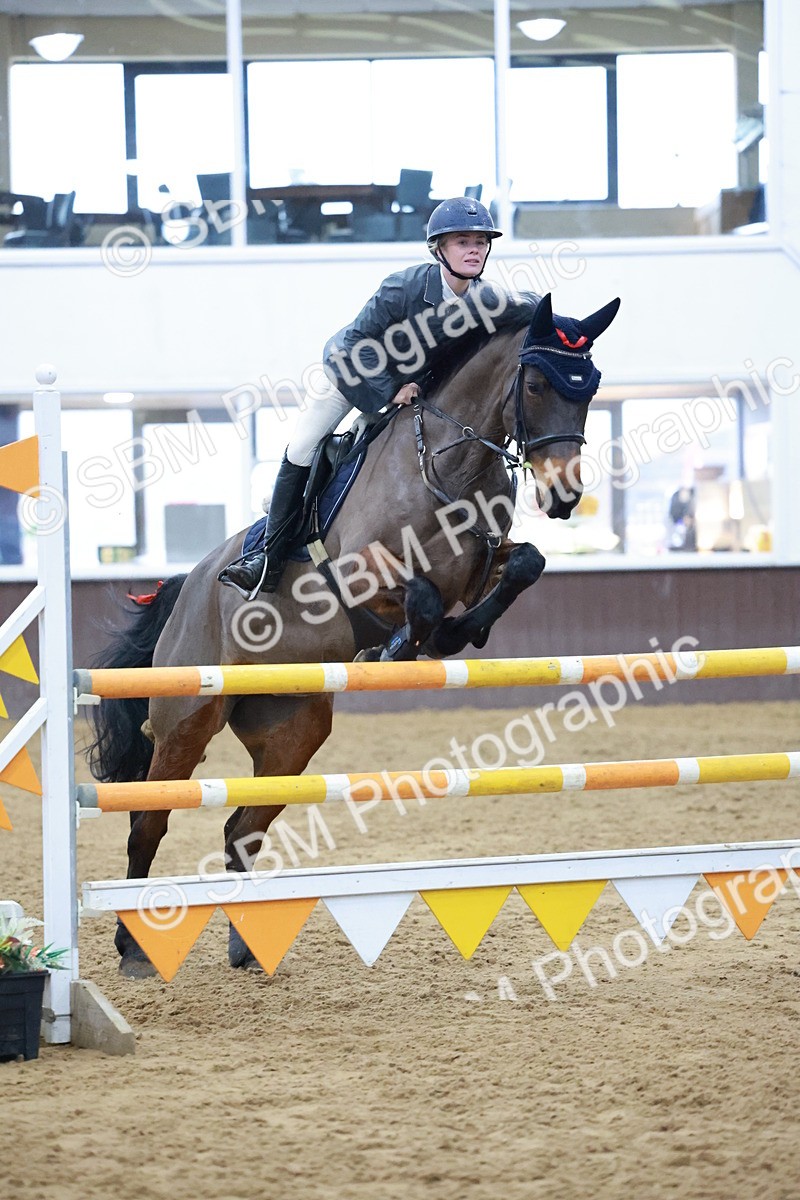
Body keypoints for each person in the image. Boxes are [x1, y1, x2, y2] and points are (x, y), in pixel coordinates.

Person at [219, 196, 519, 598]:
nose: (474, 250)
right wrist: (390, 389)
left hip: (413, 390)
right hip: (352, 374)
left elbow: (525, 311)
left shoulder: (487, 299)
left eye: (480, 242)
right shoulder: (403, 287)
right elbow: (355, 344)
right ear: (439, 249)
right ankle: (266, 557)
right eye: (462, 242)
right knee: (303, 446)